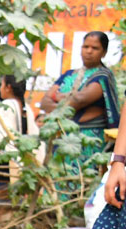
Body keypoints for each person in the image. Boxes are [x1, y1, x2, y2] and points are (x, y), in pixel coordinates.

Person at [40, 32, 120, 172]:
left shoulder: (103, 76)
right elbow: (44, 102)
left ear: (104, 52)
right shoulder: (69, 74)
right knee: (58, 181)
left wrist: (57, 96)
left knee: (81, 183)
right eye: (85, 46)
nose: (89, 51)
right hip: (61, 137)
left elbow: (80, 100)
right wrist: (68, 98)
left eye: (95, 48)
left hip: (88, 140)